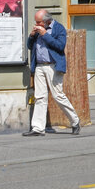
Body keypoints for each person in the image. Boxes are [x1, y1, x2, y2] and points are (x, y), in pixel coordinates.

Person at [24, 9, 81, 137]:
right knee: (40, 97)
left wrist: (45, 35)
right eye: (36, 22)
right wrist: (32, 36)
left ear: (47, 21)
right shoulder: (38, 30)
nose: (37, 24)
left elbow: (60, 46)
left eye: (39, 22)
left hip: (53, 66)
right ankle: (38, 128)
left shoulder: (58, 28)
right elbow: (29, 46)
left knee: (58, 95)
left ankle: (75, 121)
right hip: (39, 66)